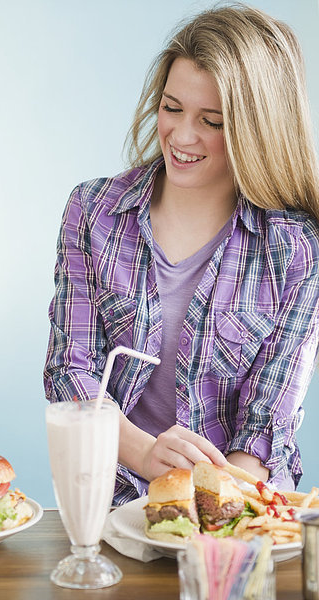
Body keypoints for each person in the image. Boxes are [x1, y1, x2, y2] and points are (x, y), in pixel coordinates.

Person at [44, 3, 319, 505]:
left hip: (238, 505)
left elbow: (265, 425)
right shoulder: (92, 212)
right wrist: (148, 456)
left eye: (211, 121)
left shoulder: (296, 250)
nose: (182, 136)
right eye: (172, 108)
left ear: (255, 129)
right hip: (116, 499)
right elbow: (70, 370)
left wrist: (205, 507)